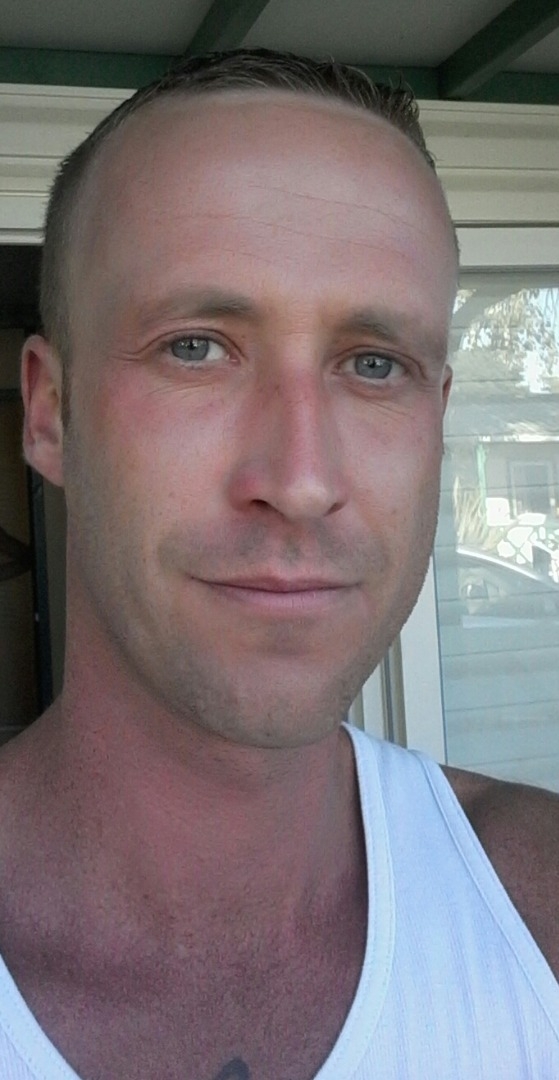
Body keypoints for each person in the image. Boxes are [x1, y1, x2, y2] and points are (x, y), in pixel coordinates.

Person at [0, 47, 557, 1080]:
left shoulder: (539, 905)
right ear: (50, 411)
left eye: (374, 364)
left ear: (437, 419)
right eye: (196, 347)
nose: (300, 481)